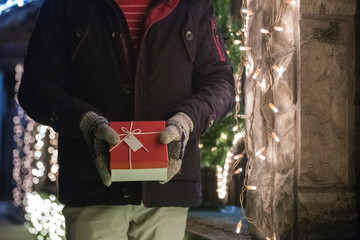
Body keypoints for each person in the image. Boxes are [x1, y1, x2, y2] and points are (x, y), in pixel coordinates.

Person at [18, 0, 235, 239]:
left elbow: (220, 83)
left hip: (165, 191)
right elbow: (35, 87)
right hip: (93, 189)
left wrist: (187, 121)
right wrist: (85, 122)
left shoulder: (194, 5)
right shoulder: (64, 5)